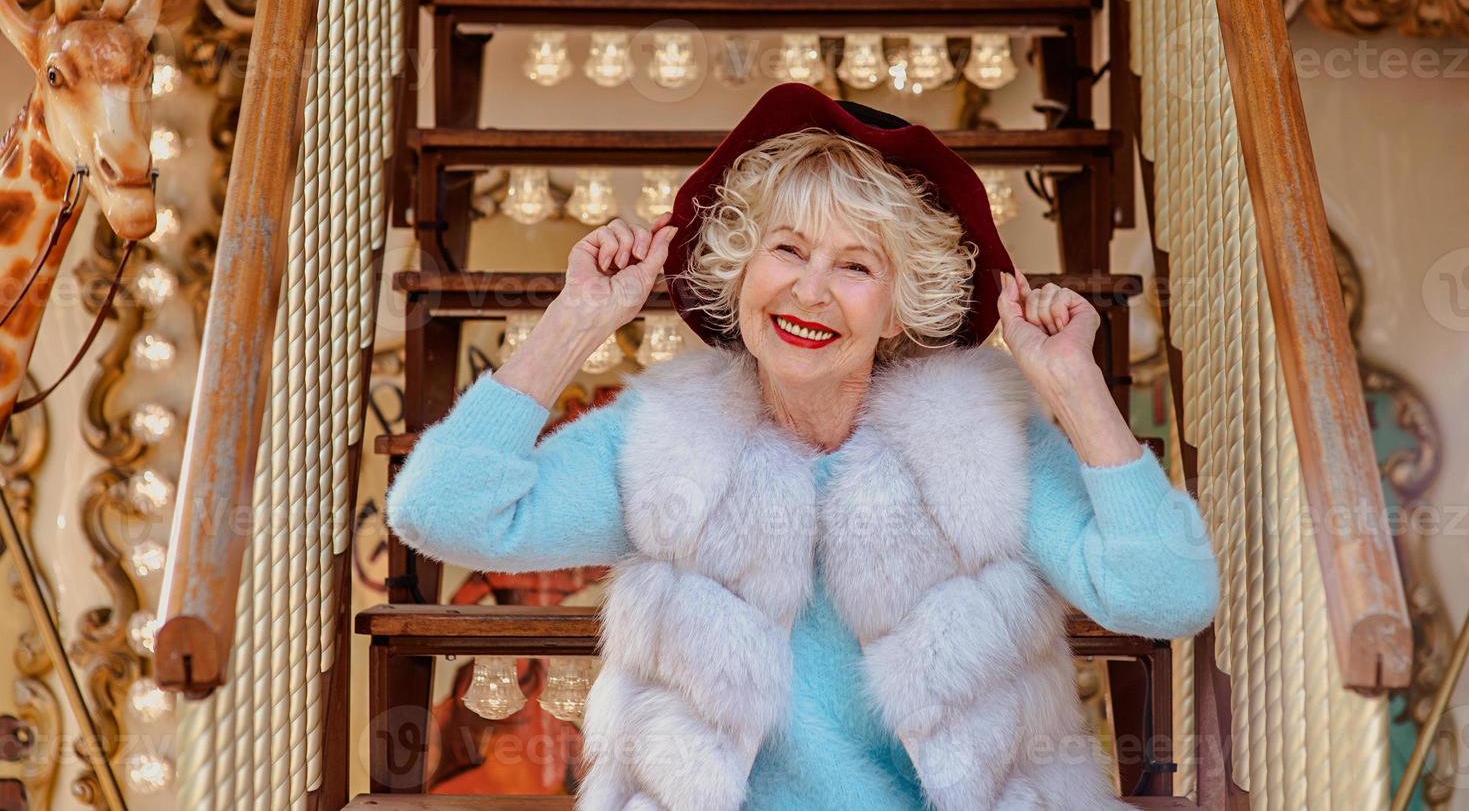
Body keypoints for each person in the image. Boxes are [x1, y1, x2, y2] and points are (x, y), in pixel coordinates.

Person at [387, 82, 1219, 811]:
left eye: (856, 266)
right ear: (740, 270)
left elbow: (1163, 597)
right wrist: (573, 322)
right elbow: (442, 513)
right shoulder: (665, 442)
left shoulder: (982, 448)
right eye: (785, 249)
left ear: (899, 309)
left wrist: (1076, 393)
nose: (809, 290)